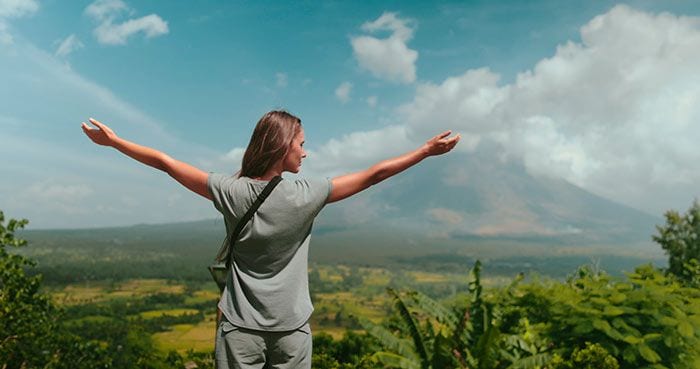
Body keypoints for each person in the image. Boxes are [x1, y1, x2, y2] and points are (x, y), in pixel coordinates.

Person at [81, 110, 460, 369]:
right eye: (301, 144)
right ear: (282, 146)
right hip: (292, 329)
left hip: (239, 329)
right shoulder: (307, 194)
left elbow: (166, 162)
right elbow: (374, 174)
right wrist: (425, 151)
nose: (305, 151)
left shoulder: (230, 191)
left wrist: (115, 142)